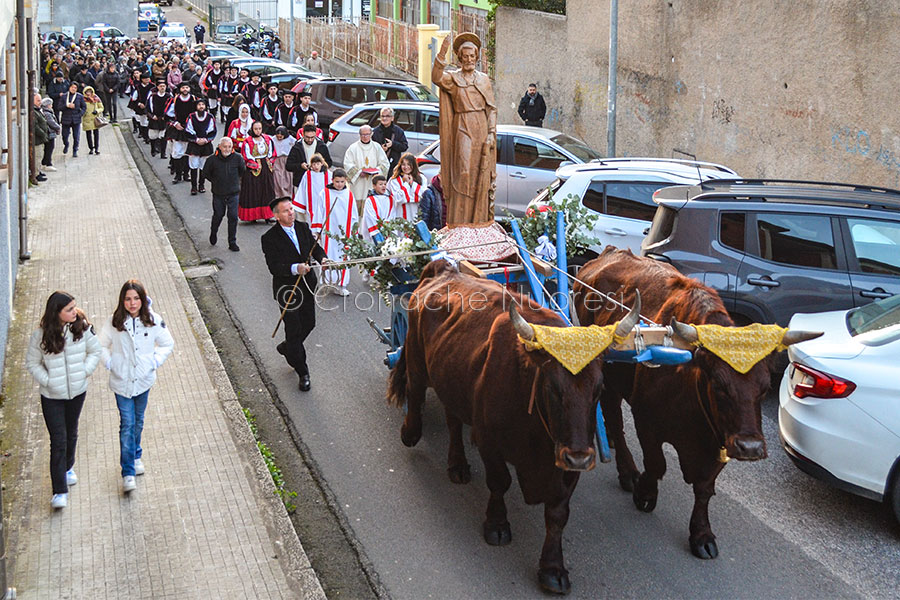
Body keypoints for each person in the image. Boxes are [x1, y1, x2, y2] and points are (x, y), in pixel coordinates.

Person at [25, 291, 101, 509]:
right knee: (58, 440)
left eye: (75, 307)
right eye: (69, 309)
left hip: (77, 392)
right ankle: (59, 491)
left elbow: (95, 351)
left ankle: (68, 468)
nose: (74, 312)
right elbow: (32, 363)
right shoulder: (40, 336)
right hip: (52, 397)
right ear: (57, 313)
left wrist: (84, 372)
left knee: (72, 432)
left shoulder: (82, 328)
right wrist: (48, 381)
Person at [99, 280, 175, 494]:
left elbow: (168, 343)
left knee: (138, 421)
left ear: (142, 299)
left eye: (136, 298)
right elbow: (100, 345)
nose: (132, 303)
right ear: (122, 301)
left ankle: (136, 453)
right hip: (121, 382)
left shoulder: (153, 321)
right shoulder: (114, 322)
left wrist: (154, 362)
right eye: (128, 299)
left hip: (143, 381)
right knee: (127, 424)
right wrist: (110, 363)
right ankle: (128, 472)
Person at [261, 197, 329, 391]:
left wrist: (322, 258)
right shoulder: (269, 238)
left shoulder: (302, 227)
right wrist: (294, 268)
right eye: (285, 211)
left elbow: (314, 248)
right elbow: (273, 267)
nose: (291, 213)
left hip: (307, 286)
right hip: (287, 291)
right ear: (276, 215)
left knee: (309, 324)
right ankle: (303, 371)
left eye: (291, 209)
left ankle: (288, 347)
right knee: (294, 328)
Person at [432, 33, 497, 225]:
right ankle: (460, 218)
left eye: (472, 56)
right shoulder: (453, 78)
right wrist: (441, 54)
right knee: (463, 172)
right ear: (459, 58)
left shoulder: (484, 79)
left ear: (477, 58)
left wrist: (492, 133)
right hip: (462, 125)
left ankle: (478, 219)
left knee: (480, 173)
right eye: (465, 56)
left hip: (482, 127)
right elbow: (436, 77)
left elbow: (491, 109)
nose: (469, 60)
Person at [309, 168, 357, 296]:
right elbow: (319, 212)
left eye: (342, 182)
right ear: (332, 180)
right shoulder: (324, 193)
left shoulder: (349, 194)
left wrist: (354, 230)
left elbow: (354, 214)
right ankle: (326, 282)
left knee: (343, 257)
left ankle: (342, 284)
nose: (340, 184)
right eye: (337, 182)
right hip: (328, 232)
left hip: (344, 233)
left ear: (345, 181)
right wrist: (317, 230)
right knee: (327, 256)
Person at [203, 137, 246, 251]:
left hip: (233, 193)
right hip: (218, 193)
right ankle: (213, 233)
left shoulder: (238, 158)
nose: (227, 149)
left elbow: (242, 171)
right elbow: (206, 173)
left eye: (229, 147)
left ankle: (232, 242)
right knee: (218, 215)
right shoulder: (212, 160)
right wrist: (216, 181)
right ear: (220, 147)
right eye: (225, 147)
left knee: (233, 217)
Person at [343, 125, 388, 212]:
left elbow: (385, 163)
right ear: (359, 135)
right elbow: (347, 164)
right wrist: (359, 172)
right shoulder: (353, 148)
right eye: (363, 134)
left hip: (372, 182)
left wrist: (377, 171)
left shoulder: (377, 147)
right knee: (357, 210)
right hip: (358, 183)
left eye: (367, 134)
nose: (365, 137)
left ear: (371, 134)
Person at [238, 120, 276, 222]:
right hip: (253, 169)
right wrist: (254, 164)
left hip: (266, 168)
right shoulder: (248, 141)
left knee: (267, 191)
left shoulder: (267, 139)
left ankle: (268, 215)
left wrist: (269, 161)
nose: (258, 131)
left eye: (259, 129)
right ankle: (253, 216)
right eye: (256, 129)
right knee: (253, 191)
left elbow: (272, 152)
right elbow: (246, 155)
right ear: (252, 129)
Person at [165, 81, 197, 184]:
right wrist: (175, 124)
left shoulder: (194, 99)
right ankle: (178, 175)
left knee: (188, 152)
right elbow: (167, 114)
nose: (185, 90)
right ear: (180, 89)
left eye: (187, 88)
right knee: (177, 152)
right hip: (178, 129)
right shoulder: (175, 100)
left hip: (190, 129)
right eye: (183, 88)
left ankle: (186, 174)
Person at [185, 98, 217, 195]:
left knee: (203, 166)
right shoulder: (191, 117)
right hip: (194, 145)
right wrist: (196, 139)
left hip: (205, 145)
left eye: (203, 105)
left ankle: (201, 185)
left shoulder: (210, 117)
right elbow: (188, 130)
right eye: (199, 105)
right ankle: (193, 186)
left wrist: (206, 139)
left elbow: (213, 130)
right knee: (194, 165)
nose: (201, 107)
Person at [285, 123, 331, 190]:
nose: (309, 140)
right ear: (303, 134)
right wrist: (300, 166)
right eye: (307, 137)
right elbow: (288, 166)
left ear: (315, 134)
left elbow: (329, 162)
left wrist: (320, 166)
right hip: (301, 183)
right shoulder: (297, 147)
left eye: (312, 137)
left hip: (318, 183)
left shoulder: (322, 147)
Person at [387, 152, 427, 222]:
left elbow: (423, 196)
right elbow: (398, 199)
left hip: (416, 213)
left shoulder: (422, 178)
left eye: (409, 164)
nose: (406, 167)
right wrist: (406, 183)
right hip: (400, 214)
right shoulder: (394, 180)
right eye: (403, 164)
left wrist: (412, 184)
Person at [371, 106, 408, 176]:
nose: (384, 118)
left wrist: (392, 144)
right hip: (379, 166)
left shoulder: (398, 131)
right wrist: (380, 149)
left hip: (393, 166)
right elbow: (370, 148)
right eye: (382, 116)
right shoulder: (375, 132)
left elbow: (404, 146)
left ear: (392, 118)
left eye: (387, 116)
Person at [293, 153, 329, 220]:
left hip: (324, 200)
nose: (316, 166)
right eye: (314, 164)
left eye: (318, 164)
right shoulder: (308, 174)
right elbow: (302, 188)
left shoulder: (327, 174)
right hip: (311, 201)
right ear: (311, 165)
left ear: (322, 163)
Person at [361, 174, 394, 241]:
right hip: (375, 232)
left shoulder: (391, 199)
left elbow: (393, 213)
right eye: (380, 184)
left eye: (385, 184)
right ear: (374, 186)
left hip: (388, 231)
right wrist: (378, 230)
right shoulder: (370, 200)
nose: (383, 186)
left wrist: (387, 226)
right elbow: (370, 216)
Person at [59, 81, 86, 157]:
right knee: (65, 135)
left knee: (76, 136)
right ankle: (66, 144)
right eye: (72, 87)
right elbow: (59, 107)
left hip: (76, 119)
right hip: (66, 119)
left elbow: (84, 107)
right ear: (69, 87)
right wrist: (66, 105)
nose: (73, 89)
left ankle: (75, 150)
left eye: (75, 88)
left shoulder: (79, 96)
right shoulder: (64, 96)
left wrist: (80, 114)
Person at [146, 79, 171, 159]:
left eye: (164, 86)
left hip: (164, 119)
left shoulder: (169, 96)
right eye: (160, 86)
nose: (162, 88)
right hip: (154, 118)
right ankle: (153, 149)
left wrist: (166, 116)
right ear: (157, 87)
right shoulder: (152, 96)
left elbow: (171, 108)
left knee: (163, 136)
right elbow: (148, 108)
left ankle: (163, 153)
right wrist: (152, 116)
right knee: (153, 135)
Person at [271, 126, 296, 202]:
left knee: (287, 178)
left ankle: (287, 196)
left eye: (281, 136)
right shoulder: (273, 139)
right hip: (277, 160)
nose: (279, 137)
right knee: (277, 178)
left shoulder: (291, 140)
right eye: (278, 136)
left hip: (287, 160)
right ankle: (278, 196)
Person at [81, 86, 105, 155]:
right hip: (87, 119)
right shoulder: (83, 99)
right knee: (88, 134)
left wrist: (97, 111)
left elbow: (101, 107)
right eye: (87, 92)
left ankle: (96, 148)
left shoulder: (96, 98)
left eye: (90, 92)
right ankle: (91, 148)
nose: (88, 93)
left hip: (95, 119)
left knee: (96, 134)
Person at [40, 97, 61, 172]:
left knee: (48, 148)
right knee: (49, 148)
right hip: (50, 133)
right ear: (48, 105)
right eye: (50, 104)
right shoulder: (47, 113)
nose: (52, 106)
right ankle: (48, 163)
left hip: (50, 133)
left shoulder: (45, 112)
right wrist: (58, 127)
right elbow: (51, 122)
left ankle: (44, 163)